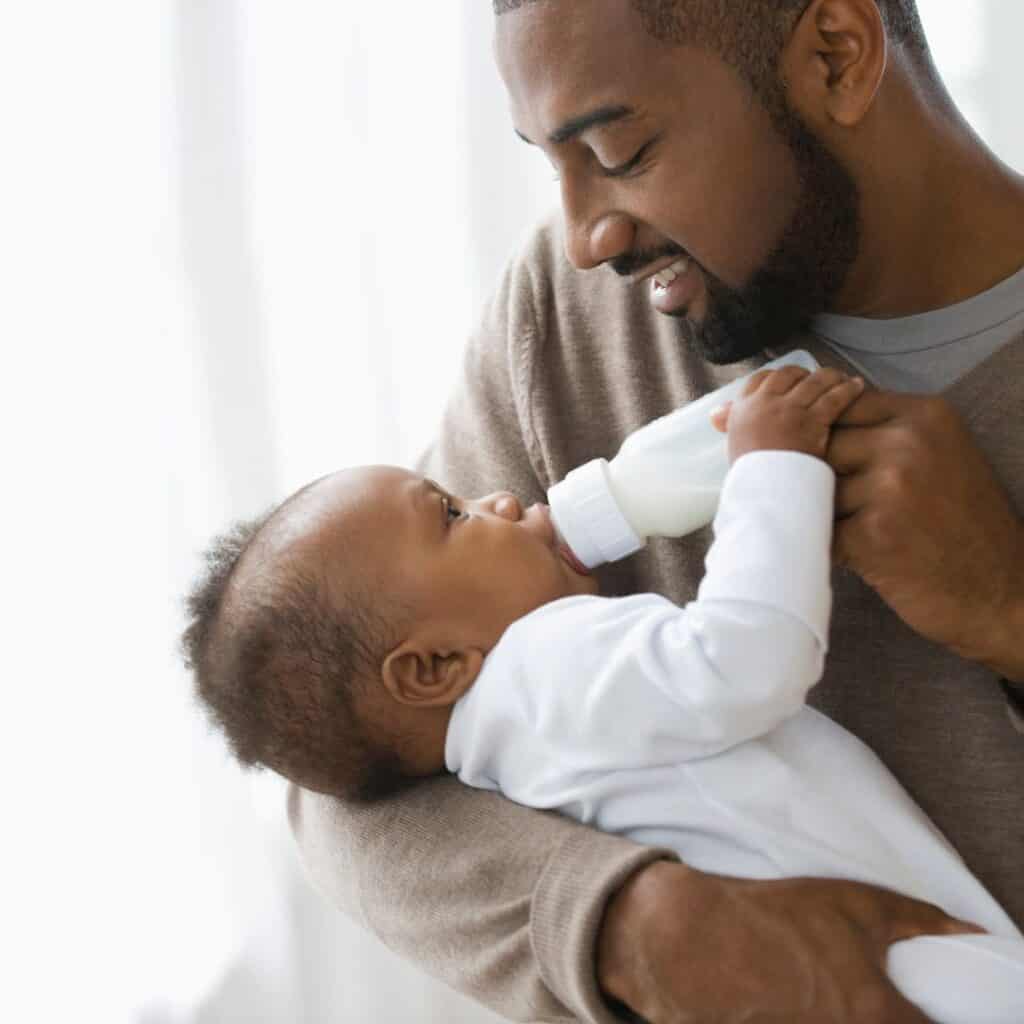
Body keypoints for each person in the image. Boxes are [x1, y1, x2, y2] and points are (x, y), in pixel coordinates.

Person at [289, 2, 1024, 1021]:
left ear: (836, 55)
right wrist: (635, 924)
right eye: (550, 162)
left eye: (619, 149)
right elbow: (340, 749)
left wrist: (1008, 612)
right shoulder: (571, 309)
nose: (586, 236)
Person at [185, 366, 1023, 1023]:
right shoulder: (545, 665)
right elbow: (743, 660)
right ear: (434, 668)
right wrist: (773, 466)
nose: (501, 497)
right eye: (453, 515)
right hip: (892, 971)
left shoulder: (498, 752)